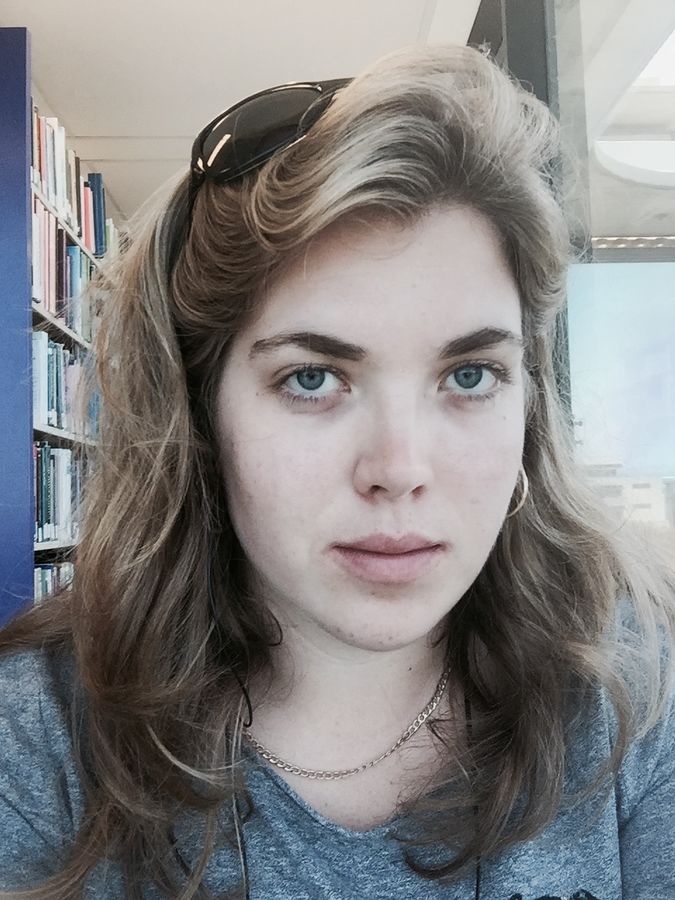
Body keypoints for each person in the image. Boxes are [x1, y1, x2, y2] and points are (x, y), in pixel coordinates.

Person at [1, 43, 674, 900]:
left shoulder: (638, 694)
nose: (399, 470)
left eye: (470, 375)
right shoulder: (39, 735)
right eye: (313, 378)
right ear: (199, 414)